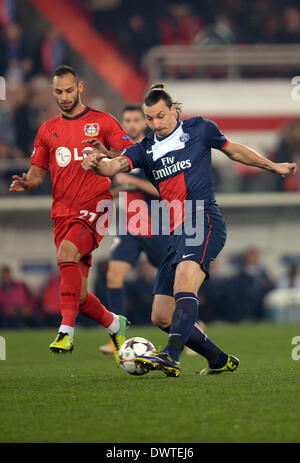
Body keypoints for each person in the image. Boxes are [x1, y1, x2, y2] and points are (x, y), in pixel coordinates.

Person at [81, 83, 297, 377]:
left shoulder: (200, 129)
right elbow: (112, 167)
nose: (155, 123)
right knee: (160, 315)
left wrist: (273, 167)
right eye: (150, 118)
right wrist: (97, 162)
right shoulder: (144, 149)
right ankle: (218, 359)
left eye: (160, 116)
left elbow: (234, 151)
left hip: (203, 220)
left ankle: (171, 355)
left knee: (184, 281)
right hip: (175, 231)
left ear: (174, 111)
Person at [9, 65, 134, 361]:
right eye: (59, 92)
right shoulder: (47, 130)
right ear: (52, 92)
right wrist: (28, 182)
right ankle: (116, 324)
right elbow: (38, 173)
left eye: (69, 90)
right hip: (62, 213)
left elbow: (131, 154)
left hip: (96, 206)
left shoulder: (102, 121)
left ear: (80, 87)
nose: (65, 97)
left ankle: (66, 332)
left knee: (66, 254)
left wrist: (106, 151)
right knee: (76, 294)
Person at [96, 104, 169, 354]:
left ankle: (194, 326)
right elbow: (124, 189)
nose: (132, 124)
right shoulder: (122, 156)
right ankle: (117, 339)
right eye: (127, 120)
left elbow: (163, 191)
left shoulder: (154, 152)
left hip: (157, 228)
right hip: (130, 229)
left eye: (137, 119)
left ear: (145, 122)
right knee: (113, 275)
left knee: (178, 280)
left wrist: (131, 181)